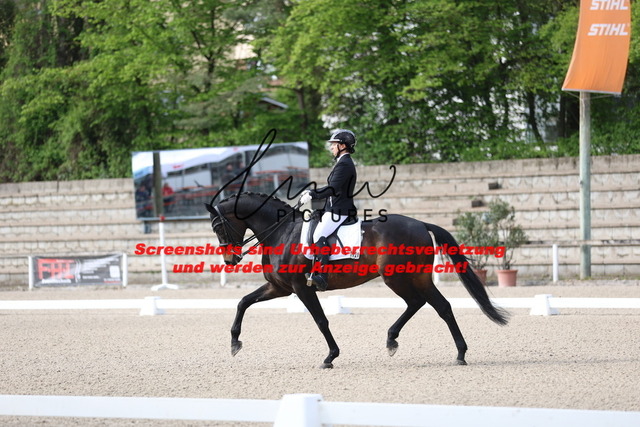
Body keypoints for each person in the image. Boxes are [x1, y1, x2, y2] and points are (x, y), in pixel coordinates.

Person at [299, 129, 358, 291]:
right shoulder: (342, 162)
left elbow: (333, 189)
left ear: (342, 146)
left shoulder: (345, 164)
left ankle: (322, 276)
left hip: (340, 210)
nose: (331, 147)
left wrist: (312, 194)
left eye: (334, 144)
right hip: (333, 208)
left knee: (319, 235)